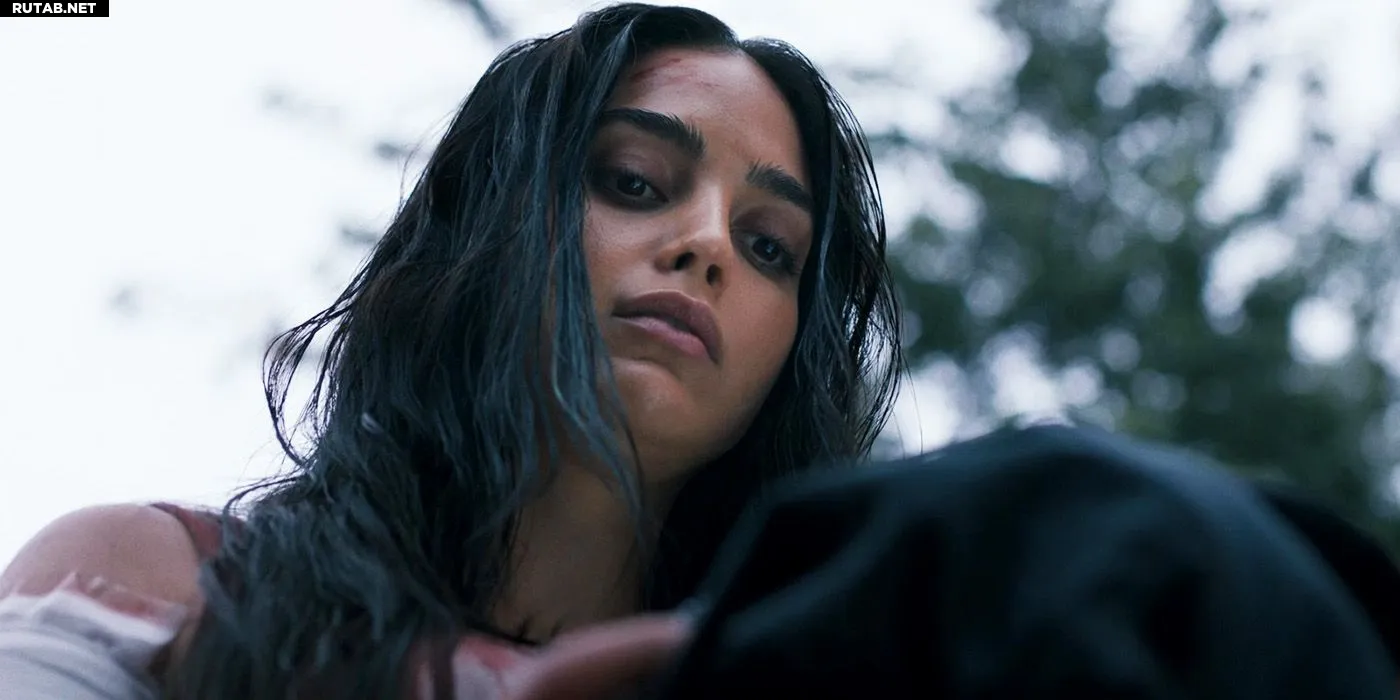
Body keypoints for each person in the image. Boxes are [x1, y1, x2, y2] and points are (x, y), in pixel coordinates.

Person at [0, 4, 900, 699]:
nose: (707, 243)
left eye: (768, 247)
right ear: (488, 226)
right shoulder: (153, 582)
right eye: (634, 182)